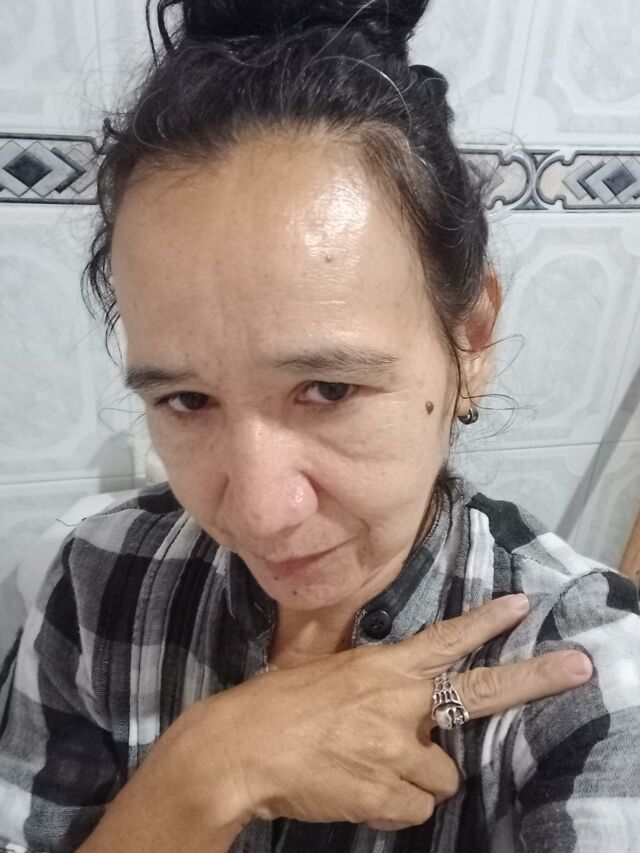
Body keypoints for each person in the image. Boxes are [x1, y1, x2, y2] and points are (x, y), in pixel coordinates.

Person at [1, 1, 639, 851]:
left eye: (329, 388)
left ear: (471, 339)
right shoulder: (95, 584)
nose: (258, 512)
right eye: (185, 399)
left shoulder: (586, 673)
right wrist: (205, 771)